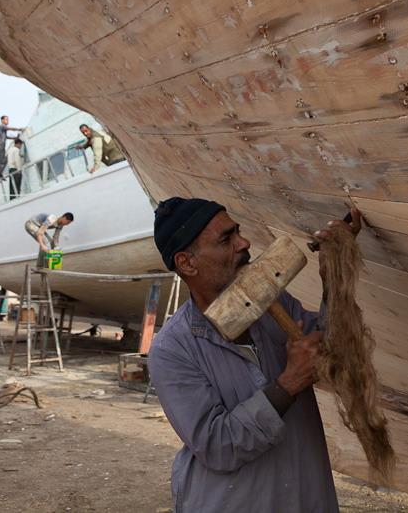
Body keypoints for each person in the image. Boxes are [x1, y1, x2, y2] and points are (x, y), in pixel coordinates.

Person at [148, 198, 361, 513]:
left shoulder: (269, 301)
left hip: (303, 495)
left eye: (238, 232)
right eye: (226, 239)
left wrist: (332, 279)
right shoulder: (171, 350)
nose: (244, 243)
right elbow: (218, 445)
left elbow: (331, 349)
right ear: (187, 263)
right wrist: (289, 383)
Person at [0, 115, 22, 181]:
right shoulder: (2, 126)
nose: (7, 121)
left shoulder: (2, 129)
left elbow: (7, 137)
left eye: (8, 119)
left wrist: (15, 138)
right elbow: (10, 128)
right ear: (2, 120)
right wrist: (19, 129)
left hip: (0, 145)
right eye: (6, 119)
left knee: (1, 160)